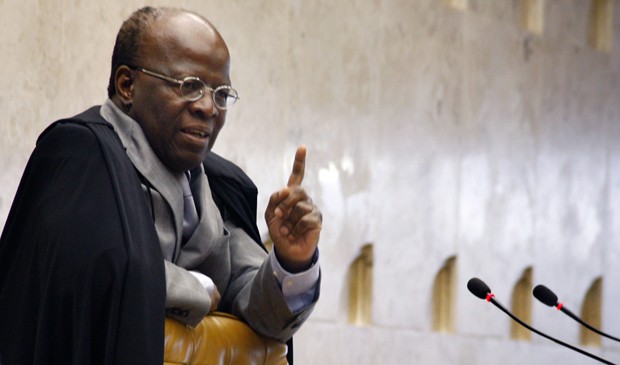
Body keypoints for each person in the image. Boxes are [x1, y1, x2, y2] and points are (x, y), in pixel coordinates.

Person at [0, 6, 321, 364]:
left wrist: (293, 263)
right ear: (127, 85)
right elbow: (101, 277)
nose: (207, 108)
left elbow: (259, 307)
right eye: (189, 86)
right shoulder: (80, 156)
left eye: (220, 93)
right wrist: (201, 289)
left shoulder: (221, 184)